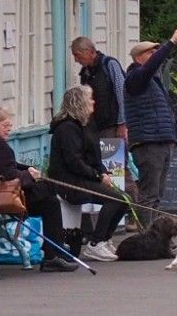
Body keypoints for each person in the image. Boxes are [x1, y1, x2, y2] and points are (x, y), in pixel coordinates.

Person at [0, 106, 76, 271]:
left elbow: (5, 168)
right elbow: (7, 175)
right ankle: (53, 254)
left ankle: (55, 251)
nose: (9, 129)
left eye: (10, 126)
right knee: (50, 202)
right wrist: (31, 176)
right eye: (5, 125)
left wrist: (27, 170)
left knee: (47, 197)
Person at [47, 85, 128, 261]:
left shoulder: (86, 126)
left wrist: (103, 172)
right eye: (90, 98)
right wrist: (97, 176)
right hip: (69, 182)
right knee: (115, 199)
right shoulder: (67, 128)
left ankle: (104, 238)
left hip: (82, 178)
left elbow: (94, 157)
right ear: (80, 103)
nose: (93, 101)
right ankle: (95, 243)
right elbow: (74, 161)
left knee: (124, 199)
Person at [125, 25, 177, 218]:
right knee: (149, 194)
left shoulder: (152, 80)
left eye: (155, 51)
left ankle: (154, 240)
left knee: (158, 195)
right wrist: (170, 43)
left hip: (161, 140)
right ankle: (145, 239)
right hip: (148, 143)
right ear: (139, 58)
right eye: (150, 52)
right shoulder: (135, 77)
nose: (155, 55)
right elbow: (152, 66)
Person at [72, 36, 128, 145]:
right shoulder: (85, 72)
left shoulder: (109, 64)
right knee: (96, 161)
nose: (76, 60)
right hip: (93, 127)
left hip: (111, 127)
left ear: (89, 52)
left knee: (112, 161)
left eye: (77, 55)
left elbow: (122, 93)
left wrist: (122, 124)